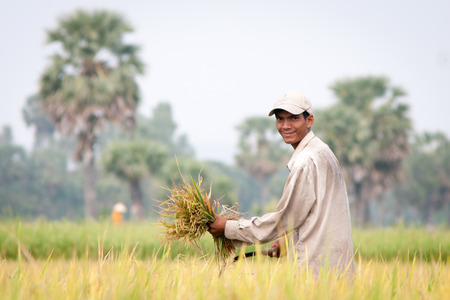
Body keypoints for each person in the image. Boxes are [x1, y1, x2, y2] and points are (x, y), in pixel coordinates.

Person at [208, 91, 355, 278]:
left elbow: (283, 220)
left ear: (309, 120)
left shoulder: (305, 161)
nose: (285, 126)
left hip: (316, 273)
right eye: (280, 119)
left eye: (293, 118)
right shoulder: (322, 151)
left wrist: (228, 228)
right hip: (337, 269)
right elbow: (312, 214)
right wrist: (289, 239)